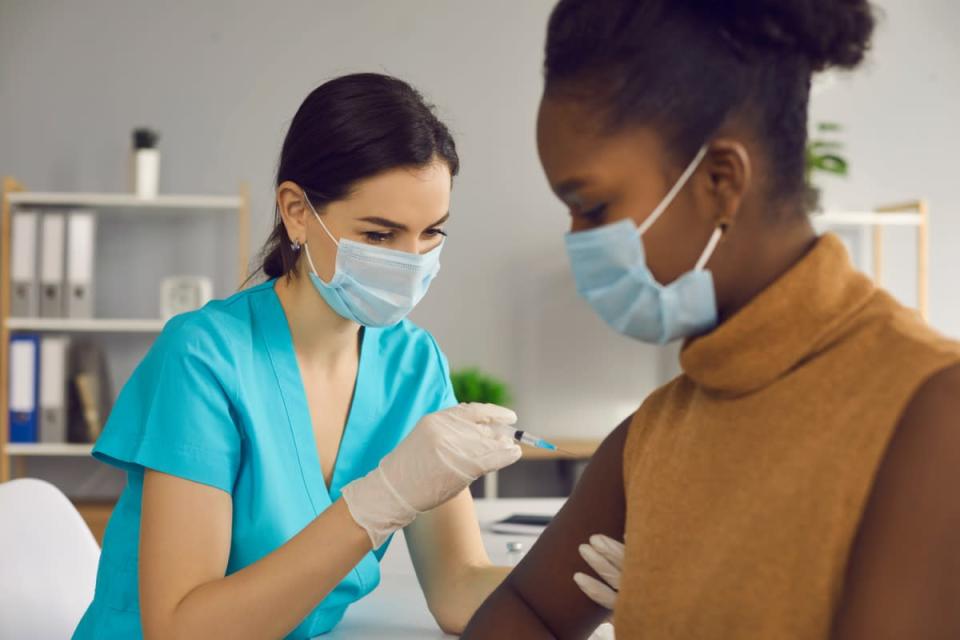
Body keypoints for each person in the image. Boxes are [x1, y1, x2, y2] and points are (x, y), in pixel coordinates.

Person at [464, 0, 960, 638]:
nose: (577, 240)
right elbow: (526, 613)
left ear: (721, 181)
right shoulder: (658, 434)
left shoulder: (931, 414)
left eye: (591, 207)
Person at [73, 73, 529, 639]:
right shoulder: (204, 358)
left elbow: (459, 588)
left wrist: (588, 581)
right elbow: (183, 629)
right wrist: (376, 503)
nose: (412, 261)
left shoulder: (413, 363)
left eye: (431, 232)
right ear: (296, 211)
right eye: (380, 235)